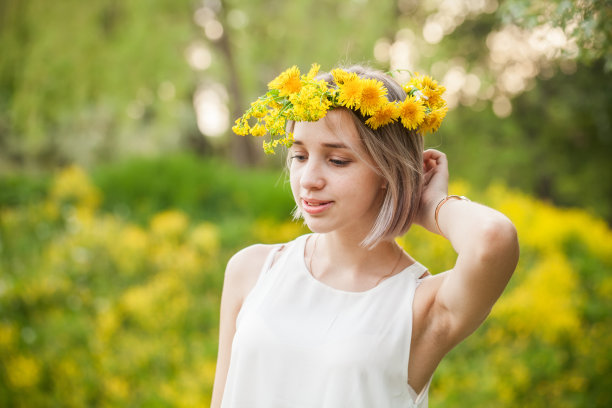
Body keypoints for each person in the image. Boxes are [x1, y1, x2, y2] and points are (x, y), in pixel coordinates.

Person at [211, 64, 519, 407]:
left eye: (338, 160)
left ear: (388, 169)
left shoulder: (420, 305)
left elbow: (493, 238)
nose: (309, 178)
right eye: (299, 155)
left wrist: (432, 204)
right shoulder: (252, 270)